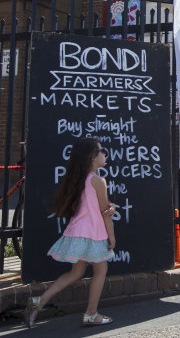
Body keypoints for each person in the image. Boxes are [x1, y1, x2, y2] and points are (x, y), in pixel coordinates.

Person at [24, 138, 116, 327]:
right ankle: (91, 314)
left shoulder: (79, 180)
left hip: (77, 232)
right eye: (102, 151)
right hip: (94, 233)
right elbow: (104, 212)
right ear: (92, 157)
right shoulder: (99, 181)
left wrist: (110, 207)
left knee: (76, 272)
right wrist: (112, 236)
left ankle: (38, 302)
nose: (105, 154)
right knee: (101, 270)